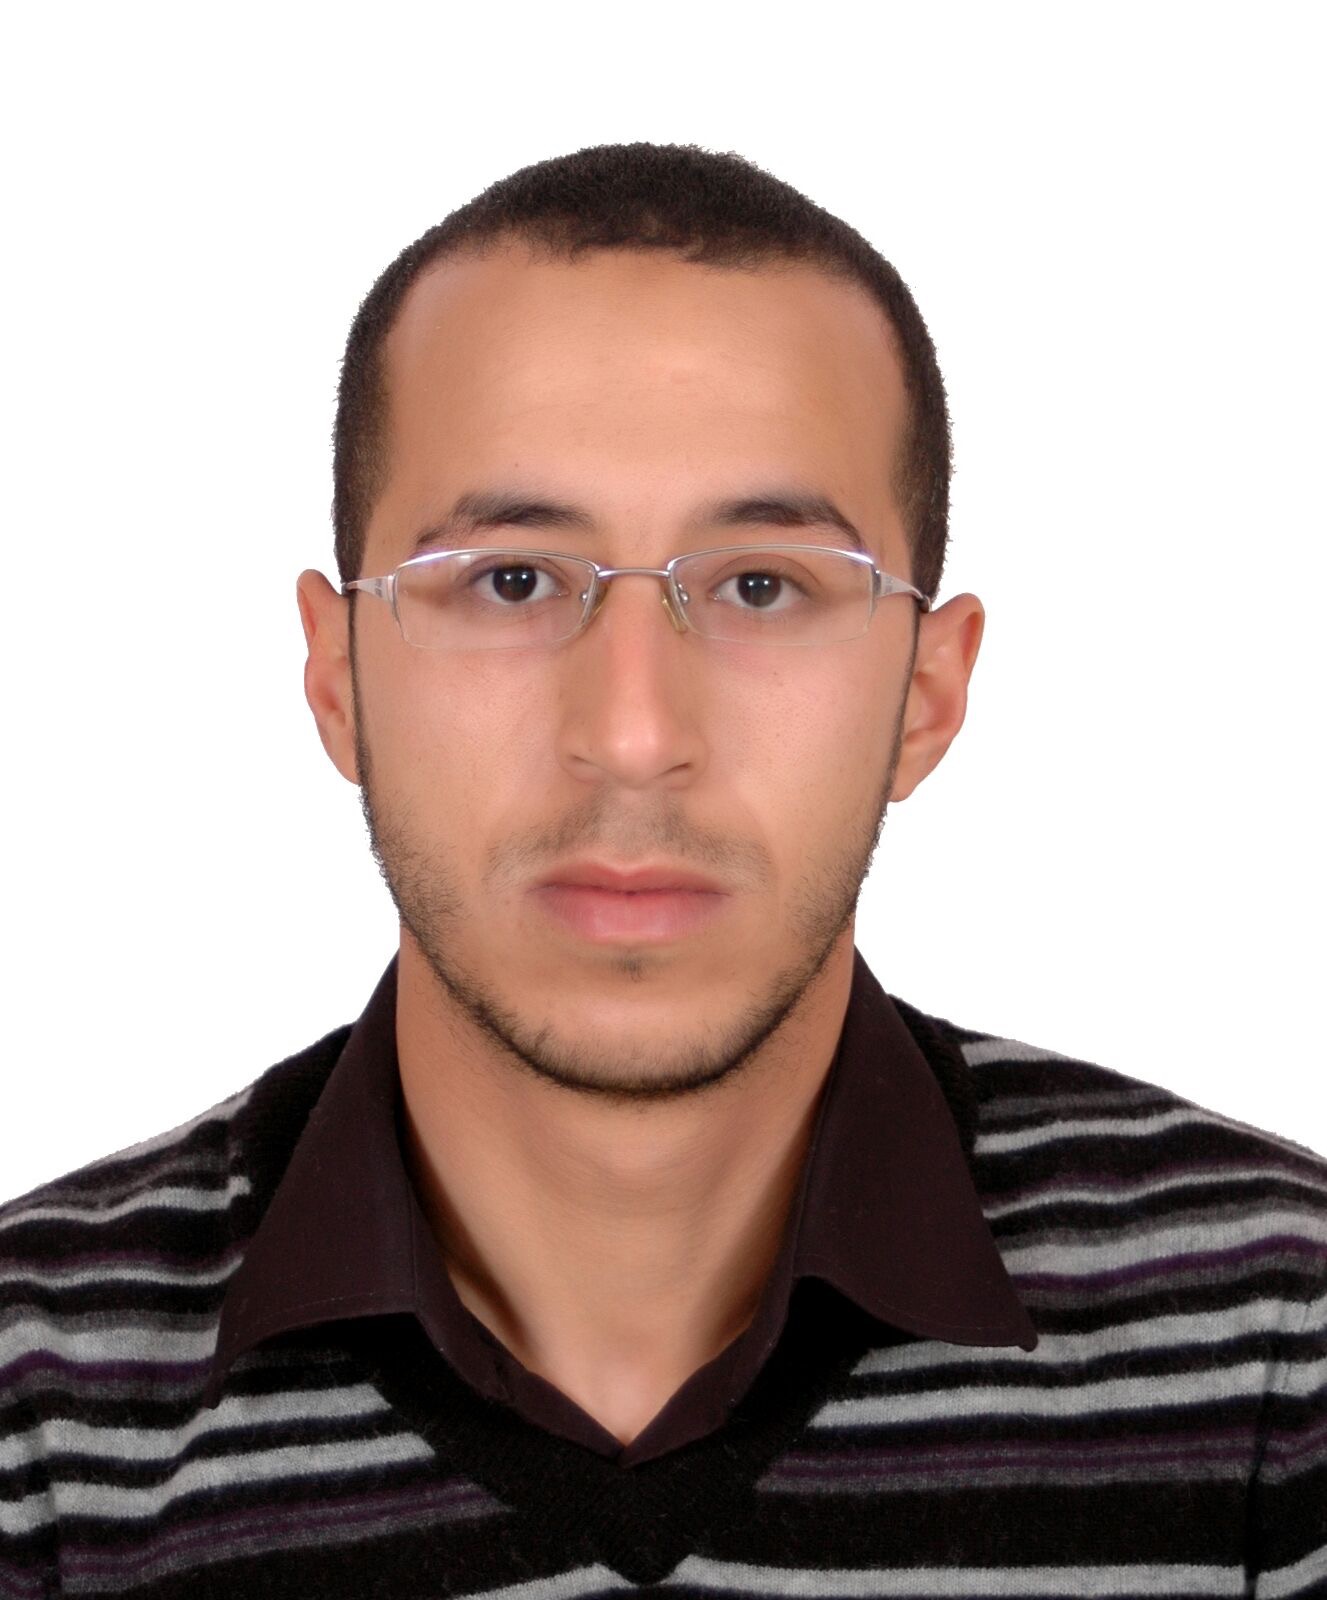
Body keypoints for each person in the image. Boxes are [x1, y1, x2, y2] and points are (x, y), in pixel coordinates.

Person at [1, 142, 1323, 1598]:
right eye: (510, 580)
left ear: (927, 694)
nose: (632, 738)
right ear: (337, 679)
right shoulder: (35, 1407)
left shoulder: (1282, 1343)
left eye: (761, 585)